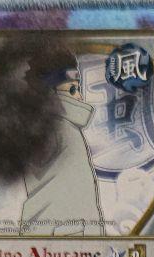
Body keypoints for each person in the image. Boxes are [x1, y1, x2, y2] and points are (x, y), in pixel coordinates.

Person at [20, 47, 105, 237]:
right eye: (73, 90)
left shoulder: (59, 127)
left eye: (78, 89)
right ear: (50, 95)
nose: (80, 97)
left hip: (56, 235)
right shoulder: (57, 128)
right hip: (64, 237)